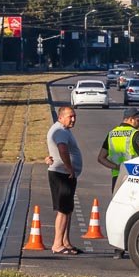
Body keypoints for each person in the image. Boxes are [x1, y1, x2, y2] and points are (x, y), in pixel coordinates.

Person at [98, 108, 139, 258]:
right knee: (137, 210)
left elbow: (101, 158)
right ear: (131, 119)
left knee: (118, 211)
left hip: (117, 178)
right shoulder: (135, 134)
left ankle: (118, 249)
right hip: (133, 177)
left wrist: (117, 167)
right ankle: (138, 246)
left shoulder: (111, 134)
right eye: (138, 119)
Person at [45, 105, 82, 255]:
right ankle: (57, 244)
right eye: (70, 117)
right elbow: (62, 149)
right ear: (60, 117)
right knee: (63, 210)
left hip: (64, 173)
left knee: (68, 209)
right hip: (61, 174)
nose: (73, 119)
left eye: (74, 116)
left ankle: (65, 242)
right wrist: (69, 167)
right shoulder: (60, 131)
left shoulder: (63, 130)